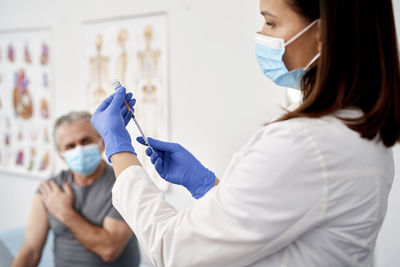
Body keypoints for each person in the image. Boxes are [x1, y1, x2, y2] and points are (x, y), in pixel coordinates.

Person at [91, 0, 400, 266]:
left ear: (322, 35)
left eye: (271, 22)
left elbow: (175, 251)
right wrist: (207, 186)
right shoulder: (361, 135)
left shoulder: (306, 142)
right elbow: (273, 231)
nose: (261, 35)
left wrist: (119, 149)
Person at [13, 111, 140, 267]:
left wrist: (65, 212)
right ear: (61, 154)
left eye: (85, 141)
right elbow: (31, 252)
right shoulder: (49, 190)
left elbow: (109, 249)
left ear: (102, 143)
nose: (79, 149)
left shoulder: (124, 183)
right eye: (70, 146)